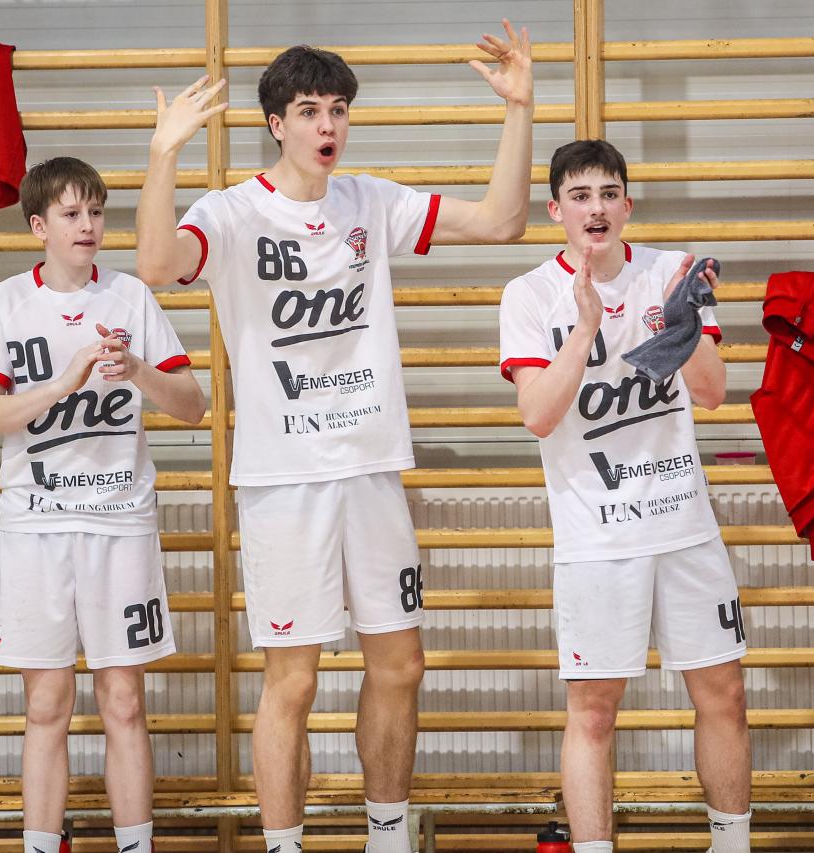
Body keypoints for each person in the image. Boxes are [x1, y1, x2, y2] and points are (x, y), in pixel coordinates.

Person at [135, 22, 533, 853]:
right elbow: (157, 265)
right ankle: (285, 845)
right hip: (284, 480)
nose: (328, 125)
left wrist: (519, 110)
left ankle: (387, 836)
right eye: (311, 111)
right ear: (276, 123)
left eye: (339, 110)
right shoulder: (232, 212)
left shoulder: (370, 202)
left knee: (401, 665)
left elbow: (501, 222)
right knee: (293, 680)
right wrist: (164, 155)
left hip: (371, 468)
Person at [498, 139, 751, 853]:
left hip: (684, 526)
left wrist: (682, 323)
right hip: (597, 538)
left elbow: (712, 391)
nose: (596, 208)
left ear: (627, 205)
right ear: (556, 210)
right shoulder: (529, 295)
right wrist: (585, 327)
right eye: (580, 195)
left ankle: (733, 844)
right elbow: (538, 415)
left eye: (609, 193)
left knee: (725, 694)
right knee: (594, 712)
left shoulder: (669, 272)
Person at [0, 156, 206, 853]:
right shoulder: (9, 301)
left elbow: (193, 406)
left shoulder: (131, 297)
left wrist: (137, 370)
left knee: (123, 700)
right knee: (46, 703)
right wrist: (63, 384)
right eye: (71, 213)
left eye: (96, 212)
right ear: (38, 226)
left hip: (119, 522)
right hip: (36, 526)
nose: (88, 225)